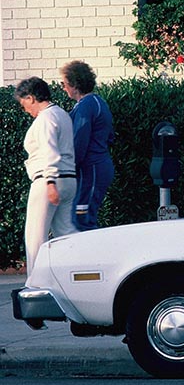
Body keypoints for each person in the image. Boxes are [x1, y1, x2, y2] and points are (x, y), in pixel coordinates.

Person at [15, 77, 79, 276]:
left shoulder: (45, 118)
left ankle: (35, 282)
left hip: (48, 181)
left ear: (31, 97)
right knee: (67, 235)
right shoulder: (62, 114)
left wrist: (50, 182)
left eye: (23, 103)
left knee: (35, 237)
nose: (24, 109)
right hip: (69, 180)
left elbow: (49, 151)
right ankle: (76, 277)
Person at [60, 60, 115, 231]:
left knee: (82, 220)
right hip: (96, 167)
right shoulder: (97, 102)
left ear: (75, 85)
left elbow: (79, 142)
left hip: (91, 170)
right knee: (81, 217)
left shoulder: (86, 106)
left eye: (64, 83)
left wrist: (68, 168)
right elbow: (110, 136)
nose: (63, 88)